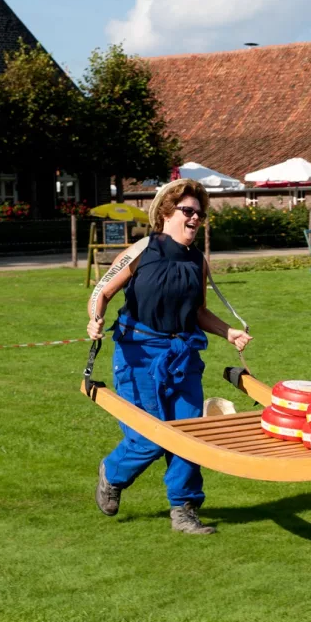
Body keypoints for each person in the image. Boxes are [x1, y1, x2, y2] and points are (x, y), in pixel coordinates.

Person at [87, 179, 252, 534]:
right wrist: (95, 317)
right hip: (139, 354)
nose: (195, 218)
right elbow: (102, 290)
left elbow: (198, 312)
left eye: (200, 214)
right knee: (149, 435)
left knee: (190, 434)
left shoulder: (198, 262)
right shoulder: (141, 250)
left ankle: (184, 509)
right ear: (166, 213)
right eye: (188, 211)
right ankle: (113, 473)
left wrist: (229, 332)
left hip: (183, 356)